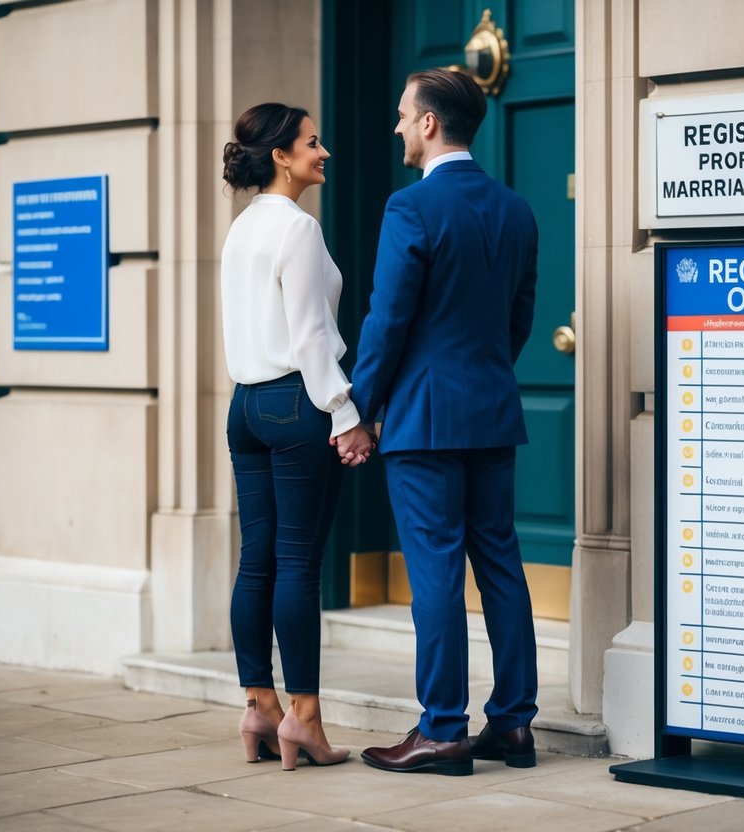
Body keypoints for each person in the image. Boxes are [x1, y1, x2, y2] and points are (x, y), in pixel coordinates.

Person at [348, 69, 540, 776]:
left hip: (426, 420)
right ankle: (514, 725)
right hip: (491, 409)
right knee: (500, 567)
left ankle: (442, 729)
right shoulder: (516, 209)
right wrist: (481, 375)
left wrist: (357, 410)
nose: (397, 127)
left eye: (404, 116)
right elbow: (518, 317)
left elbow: (386, 320)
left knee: (433, 572)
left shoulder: (411, 209)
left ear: (429, 124)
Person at [220, 102, 375, 771]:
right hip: (294, 403)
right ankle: (304, 719)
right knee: (296, 563)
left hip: (245, 406)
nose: (325, 152)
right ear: (281, 156)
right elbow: (312, 340)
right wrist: (346, 415)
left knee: (258, 559)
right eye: (314, 142)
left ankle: (260, 704)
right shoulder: (298, 229)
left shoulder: (241, 228)